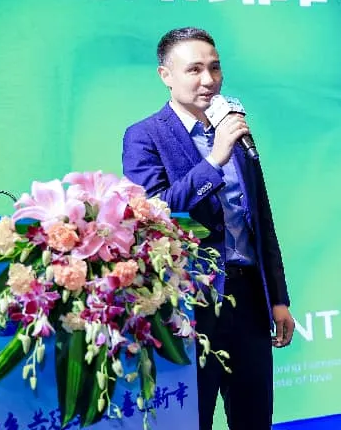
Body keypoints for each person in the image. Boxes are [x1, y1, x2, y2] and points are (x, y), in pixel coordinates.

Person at [121, 26, 295, 430]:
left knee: (255, 418)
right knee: (191, 418)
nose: (209, 80)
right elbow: (155, 212)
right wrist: (214, 161)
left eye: (215, 68)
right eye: (194, 69)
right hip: (189, 303)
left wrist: (278, 298)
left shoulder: (233, 131)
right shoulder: (145, 136)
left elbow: (261, 221)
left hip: (248, 298)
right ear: (166, 75)